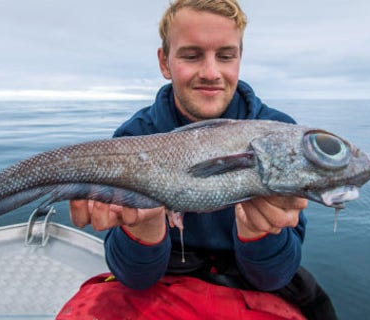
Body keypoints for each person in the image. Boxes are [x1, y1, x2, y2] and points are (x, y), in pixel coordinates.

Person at [65, 1, 337, 319]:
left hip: (249, 290)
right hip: (161, 286)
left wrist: (260, 233)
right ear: (164, 62)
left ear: (239, 59)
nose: (210, 73)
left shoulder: (281, 136)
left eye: (225, 56)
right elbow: (134, 278)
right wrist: (146, 225)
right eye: (191, 55)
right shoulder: (134, 137)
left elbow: (274, 276)